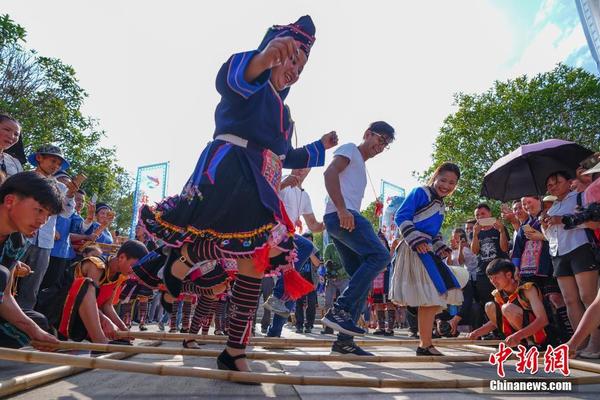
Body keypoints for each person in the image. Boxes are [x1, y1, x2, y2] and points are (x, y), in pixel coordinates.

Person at [137, 16, 337, 375]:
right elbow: (231, 81)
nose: (294, 69)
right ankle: (180, 264)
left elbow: (285, 154)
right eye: (291, 58)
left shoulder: (284, 111)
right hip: (228, 168)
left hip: (262, 180)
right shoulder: (251, 80)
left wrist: (318, 148)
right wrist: (263, 59)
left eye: (301, 65)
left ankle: (234, 348)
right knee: (242, 248)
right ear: (271, 50)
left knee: (255, 260)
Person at [320, 121, 395, 356]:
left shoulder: (361, 164)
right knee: (381, 256)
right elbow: (329, 173)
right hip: (342, 215)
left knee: (362, 276)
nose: (380, 146)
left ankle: (344, 341)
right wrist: (342, 210)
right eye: (380, 139)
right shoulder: (351, 148)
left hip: (340, 219)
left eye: (386, 144)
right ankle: (339, 309)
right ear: (367, 134)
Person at [390, 162, 462, 356]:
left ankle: (425, 344)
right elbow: (401, 216)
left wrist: (441, 247)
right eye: (443, 180)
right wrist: (415, 239)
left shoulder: (441, 203)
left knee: (431, 298)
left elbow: (434, 233)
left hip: (427, 250)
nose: (446, 185)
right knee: (429, 296)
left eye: (452, 183)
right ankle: (425, 344)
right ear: (435, 177)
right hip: (414, 249)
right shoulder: (421, 192)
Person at [37, 241, 148, 344]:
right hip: (56, 310)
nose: (134, 271)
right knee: (87, 284)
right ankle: (99, 341)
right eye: (134, 266)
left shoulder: (120, 276)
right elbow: (88, 298)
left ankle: (99, 337)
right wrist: (105, 320)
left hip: (78, 316)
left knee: (121, 338)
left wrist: (124, 330)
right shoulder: (96, 265)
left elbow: (107, 306)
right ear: (122, 257)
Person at [0, 172, 62, 351]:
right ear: (10, 201)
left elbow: (5, 296)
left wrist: (34, 330)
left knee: (37, 324)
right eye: (39, 210)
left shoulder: (17, 242)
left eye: (48, 216)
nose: (42, 221)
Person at [542, 171, 600, 356]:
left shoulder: (582, 197)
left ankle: (595, 344)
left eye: (556, 182)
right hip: (558, 254)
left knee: (588, 298)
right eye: (549, 185)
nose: (552, 187)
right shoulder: (551, 208)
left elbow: (593, 222)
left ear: (569, 182)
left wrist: (563, 220)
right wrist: (546, 227)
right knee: (569, 300)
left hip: (580, 249)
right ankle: (579, 343)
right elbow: (550, 236)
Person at [16, 145, 77, 310]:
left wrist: (70, 194)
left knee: (32, 287)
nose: (55, 165)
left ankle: (23, 323)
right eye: (52, 160)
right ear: (39, 158)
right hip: (19, 236)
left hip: (45, 241)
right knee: (7, 278)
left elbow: (65, 213)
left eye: (58, 163)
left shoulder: (61, 188)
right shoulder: (24, 179)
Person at [468, 259, 550, 348]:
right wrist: (476, 333)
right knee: (489, 306)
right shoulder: (498, 294)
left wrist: (518, 335)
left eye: (496, 277)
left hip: (541, 336)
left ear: (509, 275)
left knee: (507, 308)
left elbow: (543, 320)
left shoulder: (528, 289)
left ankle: (532, 344)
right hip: (518, 337)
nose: (493, 281)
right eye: (491, 278)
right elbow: (498, 321)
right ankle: (513, 342)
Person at [470, 203, 509, 328]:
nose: (480, 217)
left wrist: (502, 230)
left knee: (502, 300)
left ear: (490, 214)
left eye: (483, 214)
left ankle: (508, 327)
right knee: (487, 301)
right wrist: (475, 234)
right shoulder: (475, 231)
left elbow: (505, 248)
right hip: (483, 272)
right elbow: (475, 251)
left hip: (500, 270)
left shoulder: (499, 228)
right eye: (477, 215)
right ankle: (495, 329)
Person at [447, 228, 479, 335]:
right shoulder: (452, 250)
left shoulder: (470, 247)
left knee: (471, 303)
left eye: (460, 237)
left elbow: (461, 262)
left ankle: (473, 328)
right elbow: (451, 264)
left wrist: (462, 247)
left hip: (471, 278)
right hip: (458, 280)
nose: (457, 240)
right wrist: (450, 252)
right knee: (457, 304)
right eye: (455, 237)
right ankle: (452, 326)